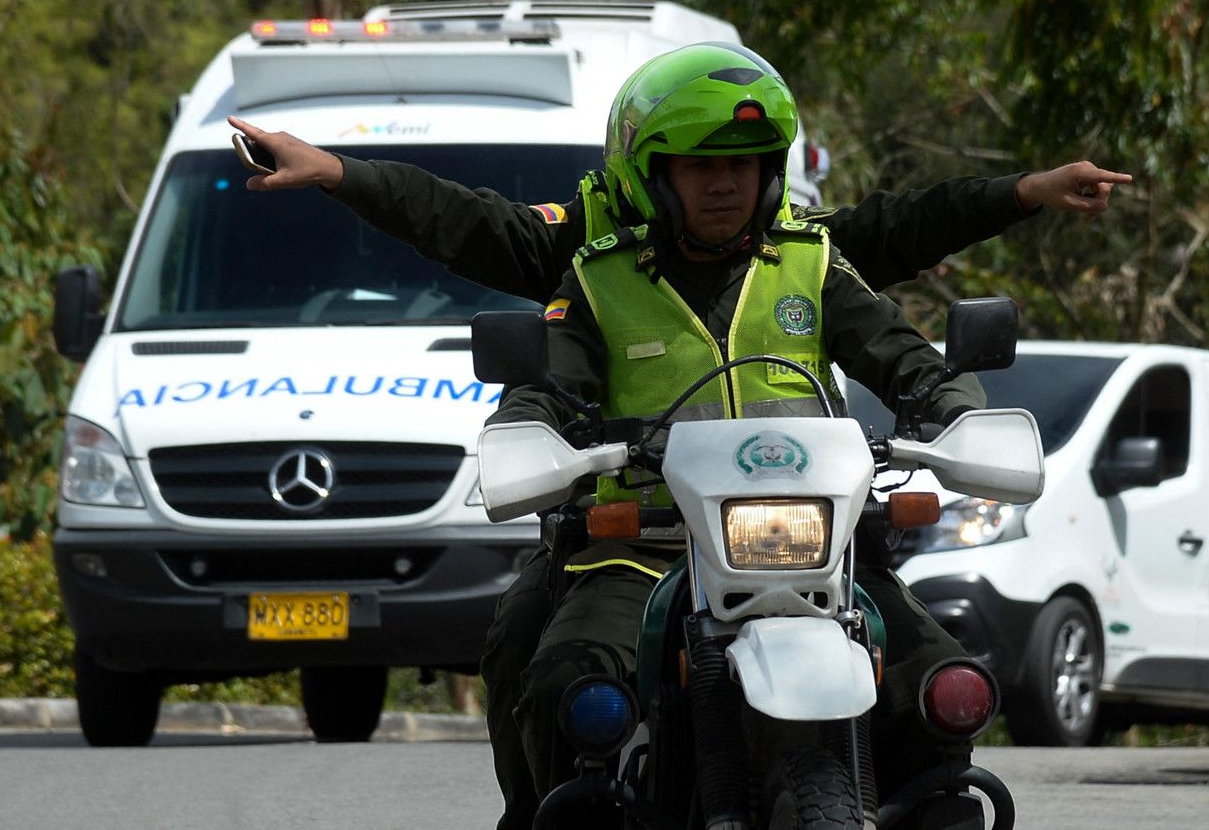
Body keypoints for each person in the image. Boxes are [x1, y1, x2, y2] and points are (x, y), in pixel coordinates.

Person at [229, 58, 1127, 828]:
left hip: (814, 549)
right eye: (700, 165)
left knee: (941, 686)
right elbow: (525, 328)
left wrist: (952, 405)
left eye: (743, 164)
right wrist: (533, 427)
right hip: (642, 547)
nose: (725, 183)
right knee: (552, 678)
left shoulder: (809, 261)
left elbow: (904, 335)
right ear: (650, 169)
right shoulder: (596, 266)